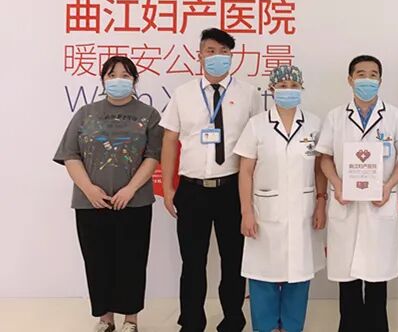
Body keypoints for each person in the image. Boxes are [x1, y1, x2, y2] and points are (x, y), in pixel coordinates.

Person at [160, 28, 263, 332]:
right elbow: (169, 140)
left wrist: (251, 197)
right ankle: (191, 322)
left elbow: (258, 144)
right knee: (192, 263)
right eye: (211, 51)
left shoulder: (249, 94)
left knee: (233, 261)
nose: (217, 57)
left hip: (231, 189)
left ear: (232, 56)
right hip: (192, 190)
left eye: (224, 52)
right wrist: (168, 187)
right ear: (199, 55)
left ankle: (233, 320)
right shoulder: (183, 94)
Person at [54, 56, 162, 332]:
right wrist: (89, 189)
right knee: (97, 261)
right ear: (103, 80)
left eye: (125, 75)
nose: (118, 80)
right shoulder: (85, 113)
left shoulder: (149, 115)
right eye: (112, 75)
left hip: (134, 203)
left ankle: (130, 320)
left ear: (135, 80)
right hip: (91, 203)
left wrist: (130, 189)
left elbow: (152, 156)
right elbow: (70, 154)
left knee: (132, 261)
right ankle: (105, 318)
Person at [316, 55, 398, 332]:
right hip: (345, 204)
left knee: (376, 282)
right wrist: (337, 184)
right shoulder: (335, 116)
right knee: (347, 283)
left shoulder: (395, 116)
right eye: (361, 74)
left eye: (373, 75)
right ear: (350, 80)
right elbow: (324, 158)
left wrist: (388, 185)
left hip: (378, 204)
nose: (367, 80)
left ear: (380, 80)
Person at [235, 65, 327, 332]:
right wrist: (246, 212)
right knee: (262, 274)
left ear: (301, 88)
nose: (288, 90)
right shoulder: (257, 125)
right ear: (272, 89)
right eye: (283, 86)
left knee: (299, 273)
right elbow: (245, 171)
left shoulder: (313, 123)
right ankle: (265, 327)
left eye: (293, 86)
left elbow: (319, 168)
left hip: (303, 211)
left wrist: (321, 202)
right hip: (265, 211)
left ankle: (291, 327)